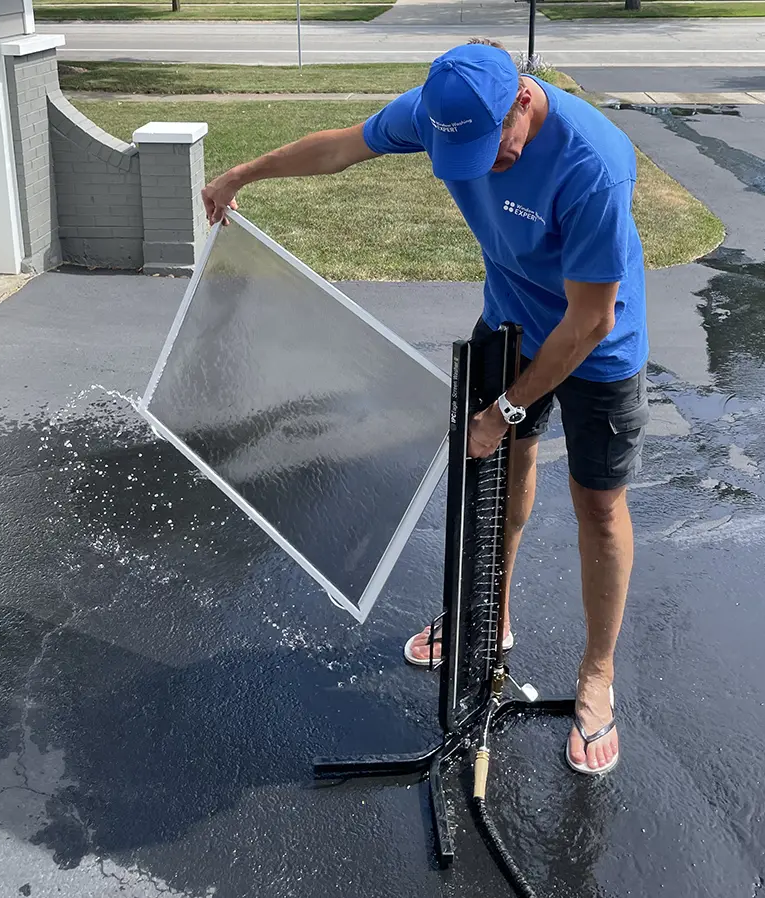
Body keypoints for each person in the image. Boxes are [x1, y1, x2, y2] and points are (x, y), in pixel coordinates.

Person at [201, 39, 649, 776]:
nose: (487, 165)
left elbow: (590, 320)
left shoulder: (592, 164)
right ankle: (488, 620)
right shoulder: (443, 111)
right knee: (499, 478)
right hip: (510, 323)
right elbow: (338, 149)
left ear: (523, 99)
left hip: (597, 345)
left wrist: (504, 410)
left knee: (598, 506)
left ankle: (597, 676)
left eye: (494, 147)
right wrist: (240, 174)